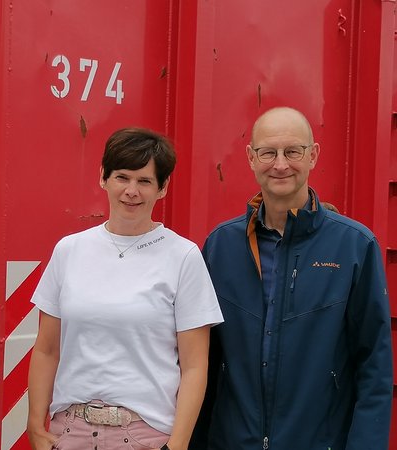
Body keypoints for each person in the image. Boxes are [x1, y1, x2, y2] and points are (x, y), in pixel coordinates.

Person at [191, 107, 393, 449]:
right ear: (251, 158)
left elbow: (373, 365)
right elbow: (203, 362)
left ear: (313, 155)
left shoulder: (354, 247)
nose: (280, 164)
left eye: (293, 152)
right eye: (268, 152)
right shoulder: (221, 246)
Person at [26, 127, 224, 450]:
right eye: (122, 177)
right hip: (70, 432)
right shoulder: (69, 251)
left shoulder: (183, 257)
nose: (132, 191)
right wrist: (35, 423)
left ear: (163, 188)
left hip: (144, 435)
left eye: (145, 181)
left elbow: (194, 366)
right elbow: (47, 348)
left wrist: (177, 445)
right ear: (103, 177)